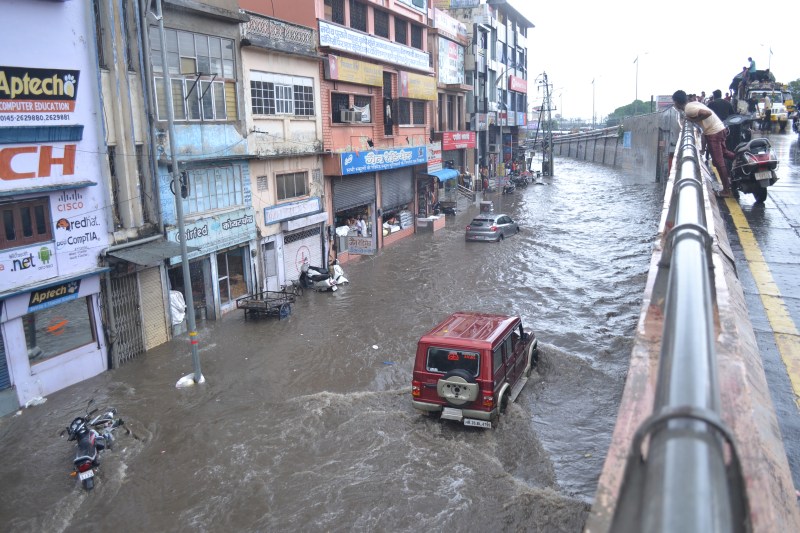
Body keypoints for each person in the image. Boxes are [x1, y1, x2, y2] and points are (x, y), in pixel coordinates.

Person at [672, 90, 736, 197]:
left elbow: (707, 113)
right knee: (724, 153)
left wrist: (694, 120)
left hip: (713, 132)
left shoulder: (689, 109)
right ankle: (739, 159)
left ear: (677, 102)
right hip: (720, 128)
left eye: (674, 102)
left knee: (718, 162)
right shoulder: (692, 104)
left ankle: (726, 190)